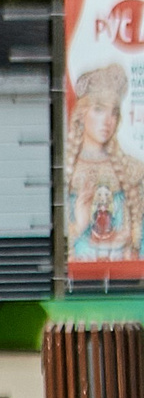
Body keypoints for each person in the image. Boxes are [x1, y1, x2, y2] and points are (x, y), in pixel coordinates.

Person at [67, 64, 144, 265]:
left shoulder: (133, 170)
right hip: (75, 286)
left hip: (125, 285)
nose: (107, 121)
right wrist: (79, 226)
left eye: (114, 112)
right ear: (82, 113)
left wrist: (132, 242)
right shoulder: (64, 170)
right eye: (99, 109)